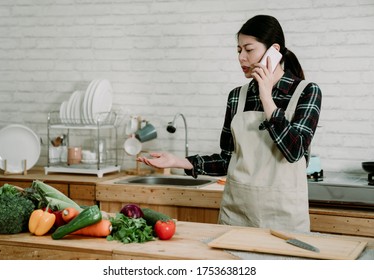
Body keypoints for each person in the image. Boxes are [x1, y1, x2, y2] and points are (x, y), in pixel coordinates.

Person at [137, 15, 322, 232]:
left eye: (249, 49)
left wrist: (267, 98)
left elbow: (295, 151)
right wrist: (178, 161)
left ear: (274, 50)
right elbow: (227, 159)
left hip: (285, 219)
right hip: (237, 215)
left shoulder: (307, 92)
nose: (241, 57)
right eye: (238, 50)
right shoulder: (237, 97)